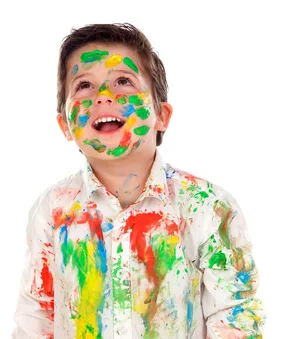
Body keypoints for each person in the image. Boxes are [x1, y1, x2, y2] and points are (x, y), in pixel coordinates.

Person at [13, 24, 264, 338]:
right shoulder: (53, 210)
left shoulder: (208, 207)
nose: (103, 97)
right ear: (65, 125)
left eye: (123, 81)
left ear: (161, 115)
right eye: (84, 86)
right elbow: (37, 315)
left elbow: (235, 317)